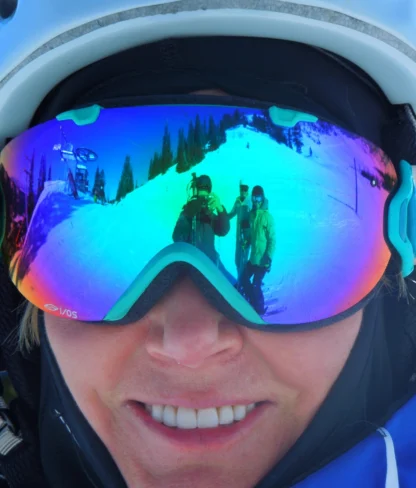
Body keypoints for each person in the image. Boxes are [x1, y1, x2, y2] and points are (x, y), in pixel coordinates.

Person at [0, 3, 415, 488]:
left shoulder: (227, 211)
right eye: (103, 272)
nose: (188, 343)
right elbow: (182, 239)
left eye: (318, 244)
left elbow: (219, 232)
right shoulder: (187, 211)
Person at [172, 174, 230, 265]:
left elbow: (223, 230)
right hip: (191, 264)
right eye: (200, 197)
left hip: (209, 264)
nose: (203, 201)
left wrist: (220, 209)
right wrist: (188, 215)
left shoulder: (209, 215)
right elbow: (177, 237)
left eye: (205, 197)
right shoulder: (187, 212)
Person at [241, 186, 276, 315]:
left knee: (256, 286)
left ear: (263, 197)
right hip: (253, 258)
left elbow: (272, 240)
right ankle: (251, 300)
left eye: (259, 197)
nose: (256, 201)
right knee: (243, 279)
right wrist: (247, 241)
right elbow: (252, 235)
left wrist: (268, 257)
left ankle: (259, 310)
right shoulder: (252, 215)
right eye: (254, 198)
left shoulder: (267, 217)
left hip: (262, 260)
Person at [228, 183, 251, 284]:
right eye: (242, 190)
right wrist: (223, 217)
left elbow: (255, 218)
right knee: (237, 260)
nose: (243, 192)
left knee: (244, 261)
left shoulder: (250, 202)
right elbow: (232, 213)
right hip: (238, 236)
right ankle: (240, 279)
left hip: (247, 237)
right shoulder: (237, 201)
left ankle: (244, 282)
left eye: (245, 190)